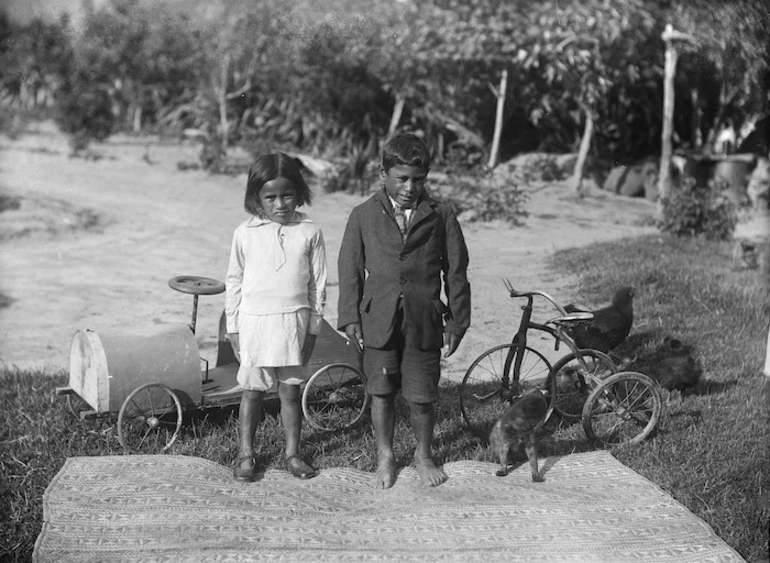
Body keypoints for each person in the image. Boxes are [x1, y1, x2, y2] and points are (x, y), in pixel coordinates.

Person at [337, 133, 471, 488]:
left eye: (419, 179)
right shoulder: (363, 215)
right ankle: (386, 456)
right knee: (380, 392)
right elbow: (349, 268)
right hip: (378, 318)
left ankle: (423, 454)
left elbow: (455, 271)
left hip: (423, 319)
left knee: (422, 395)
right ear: (384, 172)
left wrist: (457, 322)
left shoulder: (441, 215)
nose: (410, 187)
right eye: (403, 178)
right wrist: (350, 317)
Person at [225, 152, 327, 482]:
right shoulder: (245, 233)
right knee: (253, 391)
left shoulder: (310, 232)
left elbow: (318, 285)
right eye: (270, 197)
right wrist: (234, 328)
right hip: (256, 324)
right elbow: (234, 281)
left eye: (287, 195)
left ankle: (293, 453)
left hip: (293, 324)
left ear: (299, 193)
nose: (280, 204)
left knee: (290, 392)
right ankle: (246, 454)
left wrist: (313, 329)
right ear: (257, 197)